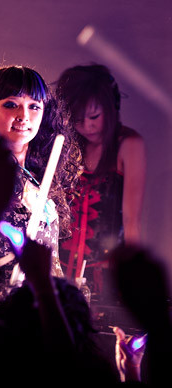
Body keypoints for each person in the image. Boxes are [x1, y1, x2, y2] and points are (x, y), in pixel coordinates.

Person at [0, 65, 81, 302]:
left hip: (38, 308)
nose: (24, 116)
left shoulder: (36, 175)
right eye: (11, 104)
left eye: (34, 106)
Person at [56, 64, 146, 308]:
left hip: (105, 271)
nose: (87, 126)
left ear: (111, 107)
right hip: (58, 264)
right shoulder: (66, 144)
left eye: (94, 117)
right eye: (78, 119)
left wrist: (135, 274)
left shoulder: (128, 144)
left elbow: (131, 221)